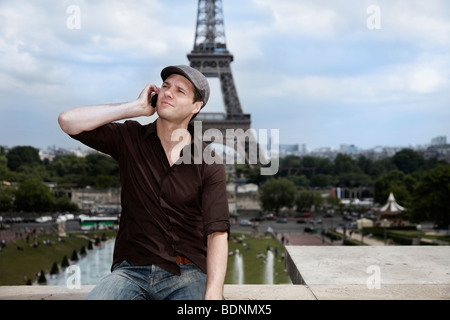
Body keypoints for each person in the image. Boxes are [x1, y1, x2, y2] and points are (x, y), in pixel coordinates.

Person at [58, 65, 230, 300]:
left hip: (187, 272)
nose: (168, 92)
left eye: (180, 91)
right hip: (131, 271)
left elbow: (217, 233)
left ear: (196, 107)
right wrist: (135, 108)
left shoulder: (209, 162)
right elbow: (68, 121)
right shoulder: (129, 138)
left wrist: (212, 295)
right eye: (166, 86)